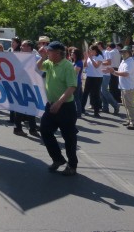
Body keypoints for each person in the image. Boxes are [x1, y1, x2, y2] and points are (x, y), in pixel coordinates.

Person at [37, 41, 78, 176]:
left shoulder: (67, 66)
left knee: (69, 137)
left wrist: (59, 103)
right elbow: (38, 67)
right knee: (45, 130)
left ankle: (72, 165)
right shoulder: (49, 63)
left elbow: (71, 87)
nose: (47, 53)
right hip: (51, 104)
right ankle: (58, 159)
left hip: (65, 107)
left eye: (49, 51)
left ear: (58, 53)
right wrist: (42, 56)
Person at [105, 46, 134, 130]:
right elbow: (119, 72)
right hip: (124, 86)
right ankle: (129, 120)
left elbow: (125, 74)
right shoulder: (124, 61)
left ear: (129, 53)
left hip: (129, 87)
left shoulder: (130, 62)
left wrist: (113, 71)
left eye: (124, 52)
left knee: (129, 105)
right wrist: (112, 71)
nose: (122, 54)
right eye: (122, 52)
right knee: (126, 104)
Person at [82, 45, 105, 117]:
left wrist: (91, 59)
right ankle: (81, 109)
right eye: (89, 50)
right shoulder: (89, 57)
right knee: (85, 93)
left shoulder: (99, 57)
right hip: (89, 77)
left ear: (95, 50)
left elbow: (96, 66)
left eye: (91, 50)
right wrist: (86, 59)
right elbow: (85, 66)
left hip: (97, 77)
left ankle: (96, 111)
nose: (90, 51)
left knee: (96, 94)